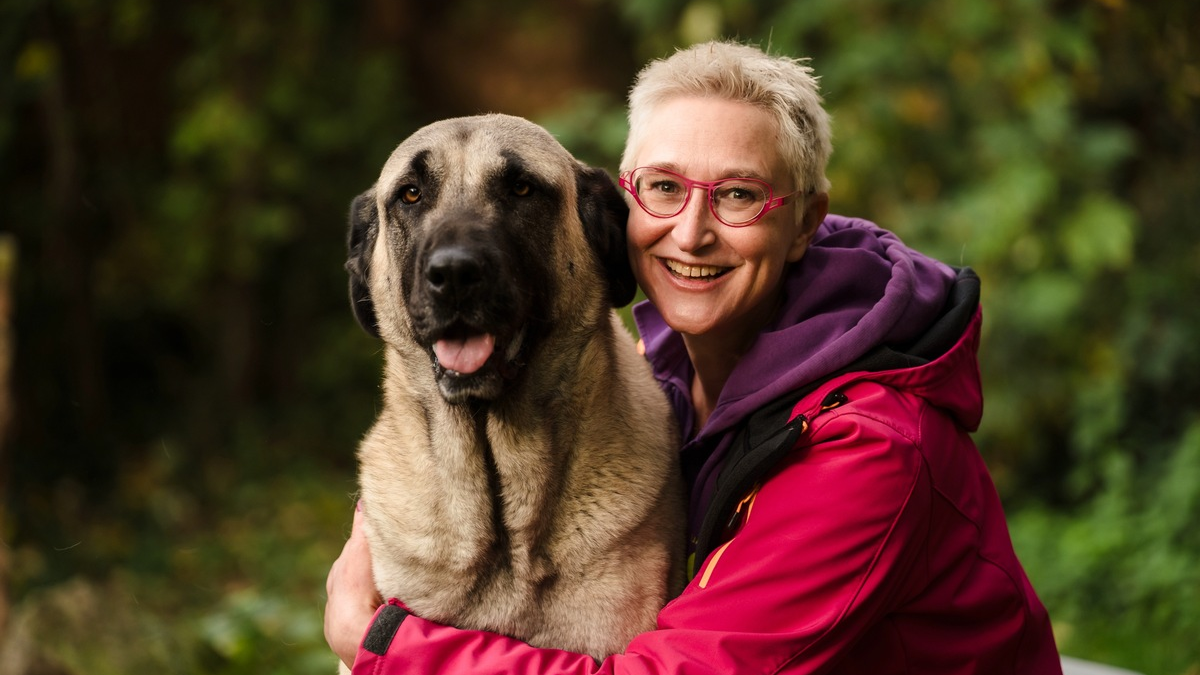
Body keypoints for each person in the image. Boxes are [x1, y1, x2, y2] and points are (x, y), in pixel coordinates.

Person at [324, 40, 1063, 674]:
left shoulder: (868, 447)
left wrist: (384, 639)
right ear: (625, 210)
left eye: (738, 195)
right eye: (666, 188)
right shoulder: (669, 371)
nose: (692, 233)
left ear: (806, 220)